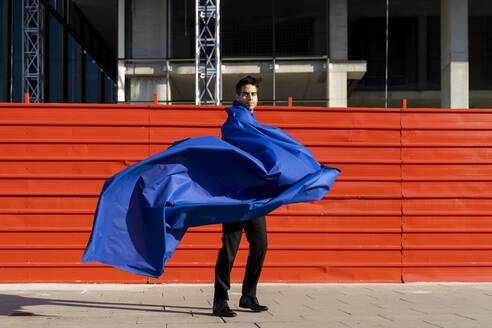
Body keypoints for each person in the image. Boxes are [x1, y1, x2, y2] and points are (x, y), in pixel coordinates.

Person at [213, 76, 269, 317]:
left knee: (260, 244)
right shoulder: (235, 121)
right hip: (237, 195)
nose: (250, 97)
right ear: (237, 97)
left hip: (254, 196)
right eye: (245, 93)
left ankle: (248, 295)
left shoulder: (254, 123)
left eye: (253, 94)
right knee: (229, 247)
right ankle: (220, 300)